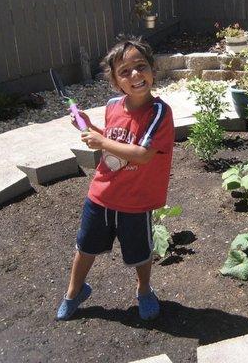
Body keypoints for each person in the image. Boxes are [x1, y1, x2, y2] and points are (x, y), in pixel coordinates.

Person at [56, 36, 174, 321]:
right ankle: (74, 291)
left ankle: (144, 289)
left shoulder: (159, 112)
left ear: (151, 70)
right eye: (125, 71)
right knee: (85, 247)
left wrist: (100, 141)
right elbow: (112, 139)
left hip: (136, 200)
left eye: (140, 66)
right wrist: (89, 126)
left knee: (140, 253)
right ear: (116, 82)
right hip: (102, 194)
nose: (135, 74)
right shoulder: (112, 106)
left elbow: (143, 154)